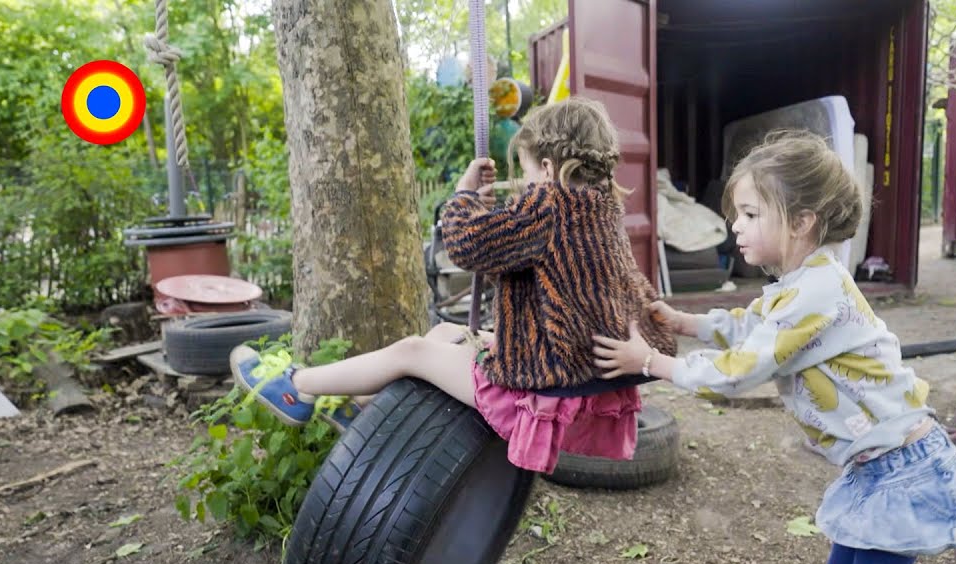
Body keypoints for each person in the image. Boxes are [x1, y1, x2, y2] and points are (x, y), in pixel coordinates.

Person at [592, 131, 956, 564]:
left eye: (752, 213)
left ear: (803, 221)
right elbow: (749, 324)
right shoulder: (798, 285)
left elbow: (743, 369)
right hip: (874, 467)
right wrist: (684, 322)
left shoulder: (819, 290)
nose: (736, 225)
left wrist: (653, 363)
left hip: (905, 468)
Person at [230, 96, 676, 474]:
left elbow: (466, 246)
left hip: (543, 391)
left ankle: (298, 388)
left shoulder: (550, 206)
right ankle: (362, 408)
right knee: (444, 332)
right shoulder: (601, 209)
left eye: (525, 175)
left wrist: (462, 198)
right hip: (577, 376)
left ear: (546, 166)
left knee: (412, 350)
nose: (523, 186)